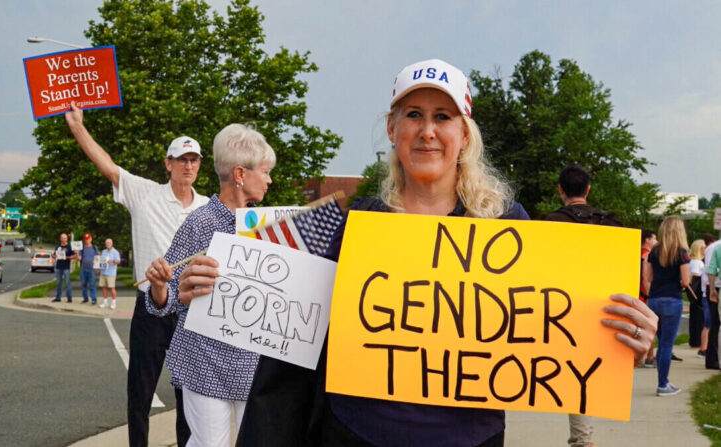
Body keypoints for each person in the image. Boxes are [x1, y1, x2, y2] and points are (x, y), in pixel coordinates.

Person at [182, 59, 658, 447]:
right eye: (413, 115)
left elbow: (561, 329)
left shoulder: (507, 226)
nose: (427, 130)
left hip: (469, 438)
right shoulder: (351, 223)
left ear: (464, 135)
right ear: (393, 129)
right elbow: (278, 314)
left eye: (442, 117)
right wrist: (212, 286)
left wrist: (628, 343)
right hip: (354, 434)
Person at [65, 101, 209, 447]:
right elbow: (109, 168)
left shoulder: (208, 208)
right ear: (168, 164)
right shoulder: (145, 194)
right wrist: (78, 128)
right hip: (151, 307)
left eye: (194, 160)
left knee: (187, 396)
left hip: (191, 311)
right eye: (182, 160)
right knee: (140, 394)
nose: (188, 166)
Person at [144, 123, 275, 447]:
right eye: (265, 171)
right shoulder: (201, 223)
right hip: (204, 361)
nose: (270, 179)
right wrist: (161, 285)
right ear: (241, 174)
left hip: (253, 363)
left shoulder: (270, 227)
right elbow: (167, 296)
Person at [544, 164, 622, 447]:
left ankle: (582, 438)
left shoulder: (552, 223)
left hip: (564, 311)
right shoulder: (611, 224)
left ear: (560, 190)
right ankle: (583, 437)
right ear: (588, 190)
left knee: (578, 374)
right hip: (605, 308)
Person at [642, 216, 691, 396]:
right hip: (672, 299)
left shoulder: (654, 253)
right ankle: (663, 384)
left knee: (660, 343)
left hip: (654, 299)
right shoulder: (682, 253)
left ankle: (664, 381)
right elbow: (685, 281)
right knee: (666, 345)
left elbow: (647, 278)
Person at [639, 230, 658, 366]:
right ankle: (649, 357)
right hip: (644, 296)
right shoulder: (647, 255)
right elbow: (646, 278)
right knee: (649, 327)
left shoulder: (637, 253)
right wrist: (649, 294)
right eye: (654, 239)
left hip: (638, 293)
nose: (656, 242)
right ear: (647, 240)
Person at [703, 234, 721, 369]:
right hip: (716, 287)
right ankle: (713, 359)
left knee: (716, 326)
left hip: (716, 287)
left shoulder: (716, 247)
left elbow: (710, 269)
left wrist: (711, 289)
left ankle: (715, 360)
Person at [688, 239, 706, 351]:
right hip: (697, 295)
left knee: (695, 318)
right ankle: (697, 341)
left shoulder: (692, 261)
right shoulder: (697, 263)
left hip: (694, 296)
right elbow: (693, 277)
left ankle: (694, 340)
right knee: (699, 319)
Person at [52, 233, 77, 303]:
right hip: (58, 267)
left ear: (67, 239)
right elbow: (54, 255)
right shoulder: (57, 247)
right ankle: (58, 297)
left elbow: (74, 255)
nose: (64, 239)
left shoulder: (69, 247)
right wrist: (54, 256)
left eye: (65, 238)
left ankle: (69, 298)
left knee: (67, 283)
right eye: (62, 238)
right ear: (60, 239)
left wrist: (67, 257)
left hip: (66, 267)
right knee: (58, 283)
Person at [99, 238, 121, 309]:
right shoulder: (103, 251)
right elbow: (101, 260)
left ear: (112, 243)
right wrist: (96, 263)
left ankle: (113, 303)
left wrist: (112, 261)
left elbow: (118, 261)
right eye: (106, 243)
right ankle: (105, 302)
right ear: (105, 244)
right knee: (104, 288)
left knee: (112, 288)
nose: (108, 244)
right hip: (103, 272)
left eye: (109, 243)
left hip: (111, 273)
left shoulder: (115, 252)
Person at [78, 233, 99, 305]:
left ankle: (94, 299)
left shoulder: (94, 248)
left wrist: (97, 268)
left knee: (92, 284)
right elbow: (79, 258)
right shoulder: (82, 248)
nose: (87, 240)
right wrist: (77, 254)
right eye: (85, 239)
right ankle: (85, 298)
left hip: (92, 269)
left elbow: (97, 258)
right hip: (83, 269)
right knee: (84, 284)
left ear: (91, 239)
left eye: (88, 239)